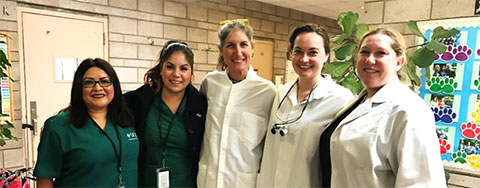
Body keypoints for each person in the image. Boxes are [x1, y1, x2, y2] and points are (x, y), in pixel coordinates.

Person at [318, 28, 446, 187]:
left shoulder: (410, 110)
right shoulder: (357, 102)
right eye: (364, 52)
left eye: (380, 53)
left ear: (399, 62)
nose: (370, 60)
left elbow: (421, 183)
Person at [257, 24, 354, 187]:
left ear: (326, 57)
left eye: (313, 52)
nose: (304, 59)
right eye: (298, 51)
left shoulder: (341, 100)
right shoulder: (280, 93)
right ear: (290, 54)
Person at [34, 58, 138, 187]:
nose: (98, 88)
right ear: (79, 88)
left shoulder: (125, 120)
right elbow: (44, 177)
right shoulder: (58, 127)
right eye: (89, 83)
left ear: (114, 86)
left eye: (105, 81)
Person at [197, 19, 276, 188]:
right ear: (221, 50)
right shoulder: (210, 83)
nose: (238, 52)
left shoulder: (267, 92)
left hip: (243, 182)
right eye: (230, 45)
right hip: (208, 180)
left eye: (244, 45)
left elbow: (271, 146)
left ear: (253, 48)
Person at [124, 41, 207, 187]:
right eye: (170, 67)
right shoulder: (139, 101)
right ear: (161, 68)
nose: (176, 74)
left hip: (185, 183)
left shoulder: (200, 105)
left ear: (191, 72)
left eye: (183, 68)